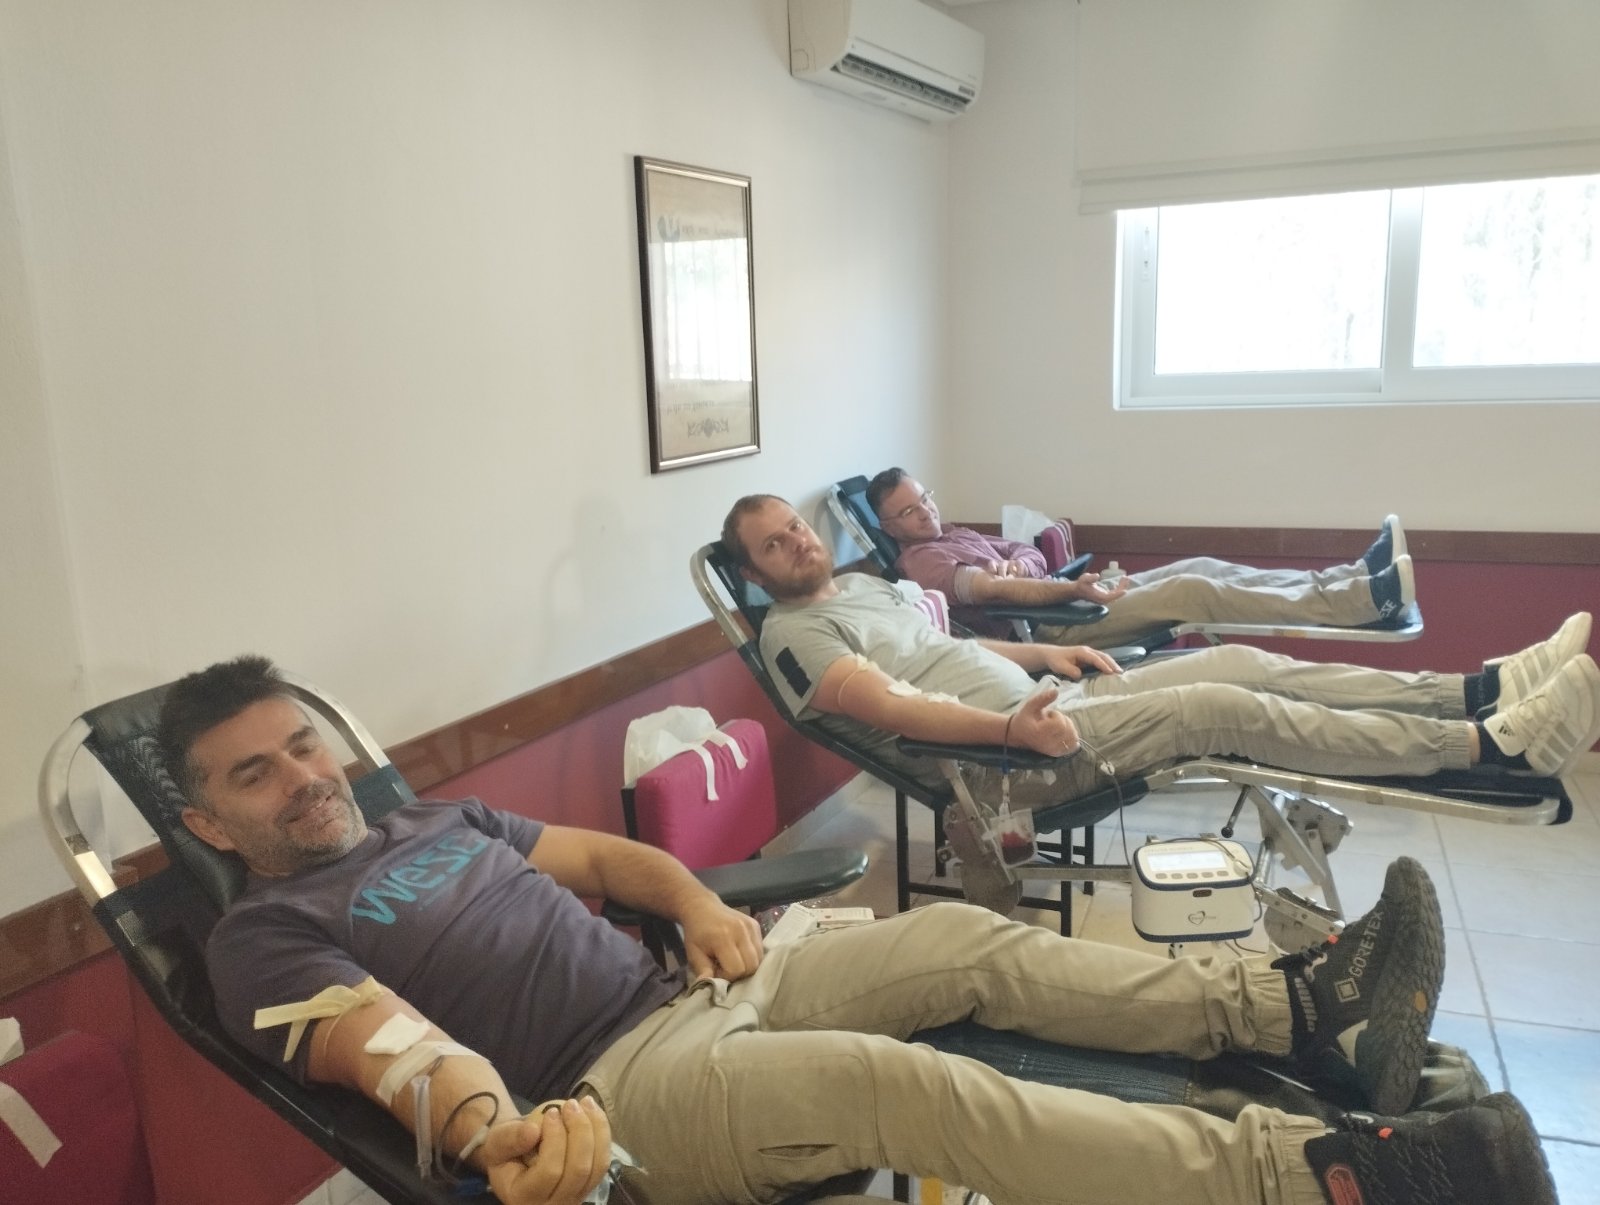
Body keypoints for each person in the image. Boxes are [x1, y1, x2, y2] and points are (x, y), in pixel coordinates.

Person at [160, 655, 1561, 1205]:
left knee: (970, 948)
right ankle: (1313, 1180)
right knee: (909, 1085)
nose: (303, 778)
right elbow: (392, 1055)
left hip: (704, 986)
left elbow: (606, 858)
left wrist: (698, 902)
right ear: (209, 822)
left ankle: (1294, 1012)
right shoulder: (260, 940)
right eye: (256, 774)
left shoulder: (431, 818)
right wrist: (495, 1134)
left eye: (304, 745)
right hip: (618, 1086)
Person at [723, 494, 1599, 805]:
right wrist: (1010, 731)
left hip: (1043, 700)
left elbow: (947, 648)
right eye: (773, 544)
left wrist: (1046, 658)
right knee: (1219, 708)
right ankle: (1491, 747)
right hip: (1003, 758)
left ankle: (1472, 694)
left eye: (795, 525)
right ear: (755, 576)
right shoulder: (794, 633)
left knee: (1240, 663)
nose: (797, 541)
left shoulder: (866, 588)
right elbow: (890, 705)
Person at [864, 467, 1417, 647]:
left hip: (1060, 600)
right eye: (909, 512)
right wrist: (1047, 582)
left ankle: (1351, 580)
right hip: (1046, 629)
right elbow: (993, 590)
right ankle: (1363, 605)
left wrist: (1020, 566)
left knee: (1198, 566)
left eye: (925, 499)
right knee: (1192, 593)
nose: (925, 513)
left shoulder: (953, 533)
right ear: (890, 528)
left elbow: (1024, 555)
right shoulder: (922, 563)